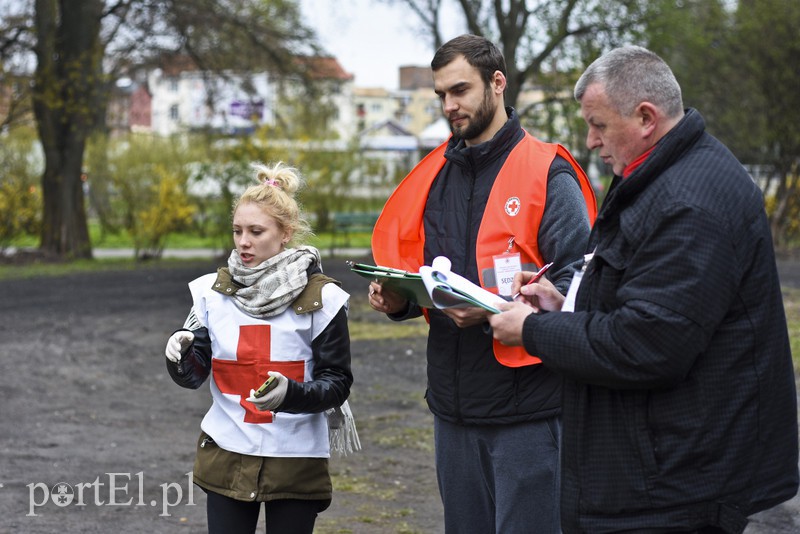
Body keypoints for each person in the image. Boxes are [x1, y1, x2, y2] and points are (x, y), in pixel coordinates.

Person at [489, 45, 799, 533]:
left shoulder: (689, 202)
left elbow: (648, 344)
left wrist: (534, 332)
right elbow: (641, 292)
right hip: (659, 470)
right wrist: (563, 304)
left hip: (674, 488)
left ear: (646, 118)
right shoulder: (663, 174)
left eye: (598, 125)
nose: (590, 141)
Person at [368, 34, 597, 533]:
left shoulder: (548, 172)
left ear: (497, 83)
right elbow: (426, 273)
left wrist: (496, 311)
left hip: (529, 413)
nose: (450, 106)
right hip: (453, 410)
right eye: (441, 96)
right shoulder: (434, 177)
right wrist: (399, 300)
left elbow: (577, 282)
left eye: (460, 90)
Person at [163, 162, 356, 534]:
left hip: (295, 456)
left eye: (256, 231)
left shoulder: (323, 298)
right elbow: (196, 374)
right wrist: (182, 355)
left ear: (285, 234)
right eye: (237, 231)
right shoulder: (211, 293)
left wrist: (292, 393)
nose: (243, 242)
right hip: (227, 449)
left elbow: (337, 381)